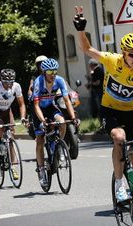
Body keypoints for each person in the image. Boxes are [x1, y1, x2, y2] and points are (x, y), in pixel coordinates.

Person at [73, 6, 133, 205]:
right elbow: (86, 49)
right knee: (119, 137)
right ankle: (119, 185)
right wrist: (81, 30)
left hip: (130, 112)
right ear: (124, 53)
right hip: (110, 111)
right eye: (132, 55)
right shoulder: (111, 60)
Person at [33, 58, 78, 187]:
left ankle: (58, 145)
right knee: (40, 139)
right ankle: (41, 169)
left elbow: (67, 100)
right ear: (44, 72)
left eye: (55, 71)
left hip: (50, 107)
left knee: (62, 122)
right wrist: (43, 121)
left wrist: (73, 117)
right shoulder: (39, 82)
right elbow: (36, 105)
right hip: (38, 110)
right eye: (50, 71)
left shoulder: (59, 80)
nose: (53, 74)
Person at [0, 69, 27, 180]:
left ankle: (13, 167)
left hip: (7, 110)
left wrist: (23, 117)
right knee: (0, 131)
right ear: (2, 80)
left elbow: (22, 104)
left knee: (11, 135)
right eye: (6, 83)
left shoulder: (17, 86)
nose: (9, 85)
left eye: (11, 83)